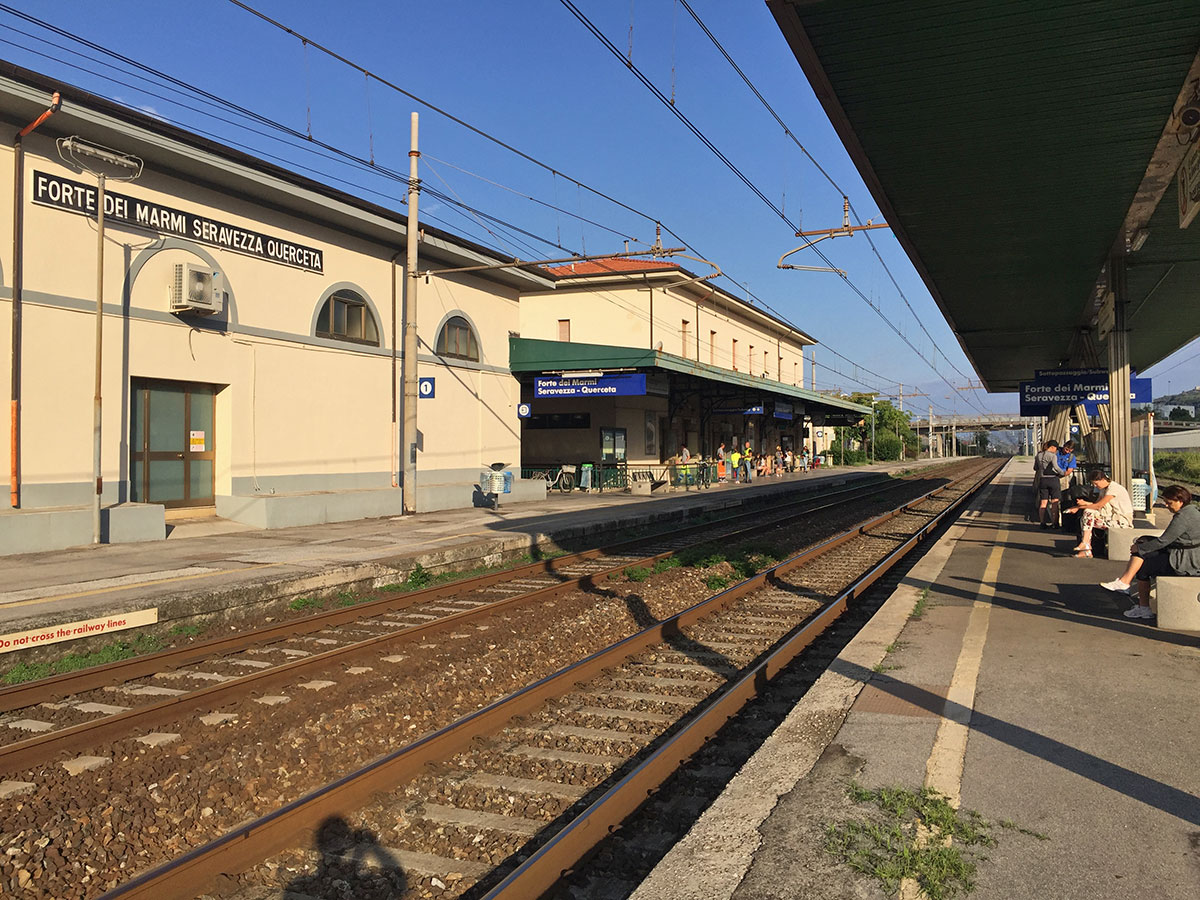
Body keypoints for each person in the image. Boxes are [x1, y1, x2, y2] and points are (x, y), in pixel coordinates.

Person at [1099, 484, 1200, 619]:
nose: (1166, 505)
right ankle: (1125, 582)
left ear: (1180, 501)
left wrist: (1140, 548)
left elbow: (1163, 541)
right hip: (1189, 553)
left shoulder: (1182, 518)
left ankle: (1143, 607)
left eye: (1169, 503)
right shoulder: (1193, 511)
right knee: (1143, 543)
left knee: (1144, 568)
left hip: (1185, 561)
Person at [1070, 469, 1133, 558]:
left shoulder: (1113, 489)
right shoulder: (1104, 489)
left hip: (1121, 520)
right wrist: (1085, 503)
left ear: (1103, 479)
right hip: (1111, 517)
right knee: (1085, 517)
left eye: (1096, 484)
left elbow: (1098, 506)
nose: (1095, 486)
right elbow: (1097, 504)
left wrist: (1078, 507)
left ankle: (1085, 545)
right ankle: (1085, 547)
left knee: (1088, 514)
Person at [1033, 440, 1065, 528]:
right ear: (1052, 447)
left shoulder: (1038, 455)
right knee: (1054, 502)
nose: (1056, 451)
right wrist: (1063, 473)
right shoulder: (1052, 456)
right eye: (1056, 449)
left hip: (1043, 480)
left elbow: (1035, 468)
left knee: (1043, 503)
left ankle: (1042, 523)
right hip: (1053, 480)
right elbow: (1056, 467)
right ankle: (1055, 523)